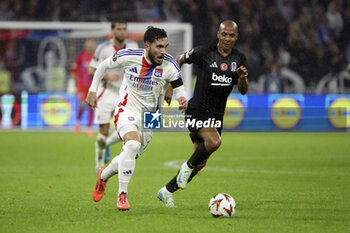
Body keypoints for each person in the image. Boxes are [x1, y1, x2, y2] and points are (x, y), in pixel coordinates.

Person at [86, 26, 188, 210]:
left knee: (129, 155)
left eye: (165, 46)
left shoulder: (170, 64)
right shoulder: (129, 55)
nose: (163, 51)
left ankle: (103, 176)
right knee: (132, 145)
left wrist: (182, 99)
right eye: (159, 47)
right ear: (147, 46)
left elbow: (180, 89)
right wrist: (92, 90)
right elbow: (102, 66)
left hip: (151, 116)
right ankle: (122, 195)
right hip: (127, 109)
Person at [157, 20, 249, 207]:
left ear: (236, 37)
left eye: (232, 35)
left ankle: (166, 191)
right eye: (224, 34)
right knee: (214, 142)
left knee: (200, 163)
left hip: (216, 115)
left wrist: (242, 78)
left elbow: (243, 90)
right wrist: (169, 84)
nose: (227, 38)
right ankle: (186, 167)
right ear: (218, 34)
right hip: (197, 110)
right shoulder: (205, 52)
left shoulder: (239, 59)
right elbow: (179, 59)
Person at [88, 20, 138, 170]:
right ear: (113, 31)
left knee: (129, 126)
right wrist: (108, 77)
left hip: (126, 94)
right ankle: (99, 166)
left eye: (124, 29)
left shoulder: (134, 46)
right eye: (119, 29)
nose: (122, 31)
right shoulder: (103, 48)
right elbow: (91, 70)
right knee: (103, 129)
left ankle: (107, 144)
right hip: (106, 92)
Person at [67, 38, 96, 137]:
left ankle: (89, 128)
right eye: (88, 44)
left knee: (92, 106)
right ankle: (78, 124)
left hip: (93, 86)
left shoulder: (96, 57)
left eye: (91, 44)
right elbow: (74, 70)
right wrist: (71, 84)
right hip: (82, 86)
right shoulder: (80, 56)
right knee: (82, 105)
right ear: (85, 45)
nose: (90, 46)